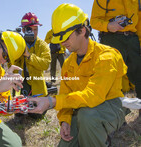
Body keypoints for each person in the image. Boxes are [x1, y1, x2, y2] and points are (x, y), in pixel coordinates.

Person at [28, 4, 128, 146]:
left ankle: (101, 138)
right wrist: (65, 121)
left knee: (87, 116)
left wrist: (52, 101)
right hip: (82, 109)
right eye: (59, 39)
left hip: (110, 106)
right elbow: (65, 93)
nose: (62, 43)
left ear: (81, 30)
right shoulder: (68, 64)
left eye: (66, 38)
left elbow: (93, 96)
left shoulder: (107, 56)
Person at [90, 0, 141, 98]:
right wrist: (108, 26)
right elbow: (94, 21)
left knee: (139, 75)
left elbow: (139, 24)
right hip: (111, 39)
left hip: (133, 40)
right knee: (109, 78)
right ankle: (111, 111)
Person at [13, 12, 51, 119]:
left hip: (37, 83)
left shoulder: (42, 45)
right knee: (20, 114)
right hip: (22, 83)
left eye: (36, 30)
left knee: (37, 115)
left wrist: (29, 56)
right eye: (30, 29)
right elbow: (12, 65)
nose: (34, 33)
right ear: (24, 30)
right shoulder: (18, 44)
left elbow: (45, 64)